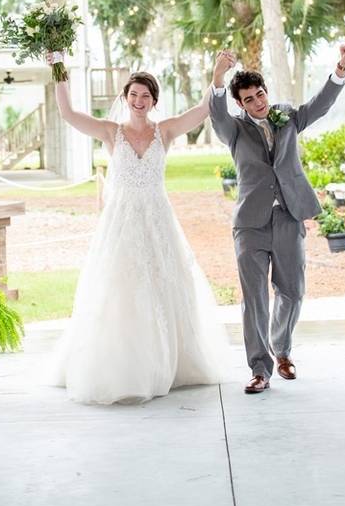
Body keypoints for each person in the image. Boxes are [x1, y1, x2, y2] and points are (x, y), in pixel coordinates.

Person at [47, 52, 228, 404]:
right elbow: (67, 114)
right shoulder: (109, 132)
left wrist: (217, 74)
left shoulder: (167, 131)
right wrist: (58, 67)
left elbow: (203, 110)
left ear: (154, 101)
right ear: (124, 98)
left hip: (158, 218)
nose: (139, 101)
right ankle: (125, 364)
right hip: (122, 221)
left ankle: (169, 362)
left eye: (146, 96)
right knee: (121, 287)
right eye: (133, 95)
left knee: (165, 285)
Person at [209, 44, 345, 394]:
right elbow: (216, 114)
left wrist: (341, 68)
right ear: (240, 104)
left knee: (291, 290)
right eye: (248, 99)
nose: (258, 102)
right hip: (250, 224)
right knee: (254, 297)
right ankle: (260, 369)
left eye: (260, 94)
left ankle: (282, 350)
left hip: (289, 215)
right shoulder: (234, 130)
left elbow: (319, 106)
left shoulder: (287, 116)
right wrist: (217, 76)